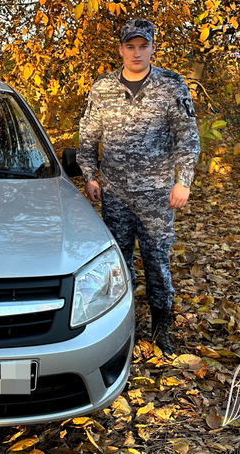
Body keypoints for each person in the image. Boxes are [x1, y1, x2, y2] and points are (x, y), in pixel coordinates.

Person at [77, 18, 200, 355]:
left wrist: (183, 182)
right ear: (120, 49)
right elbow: (88, 138)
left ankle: (162, 329)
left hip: (158, 196)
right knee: (117, 265)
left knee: (157, 262)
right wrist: (89, 176)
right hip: (114, 194)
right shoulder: (102, 88)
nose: (136, 52)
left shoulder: (171, 86)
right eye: (130, 46)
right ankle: (122, 331)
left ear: (152, 48)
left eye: (143, 46)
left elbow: (188, 139)